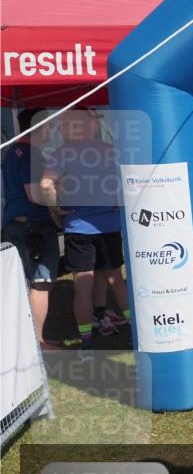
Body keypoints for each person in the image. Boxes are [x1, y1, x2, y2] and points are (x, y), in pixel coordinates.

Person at [39, 110, 130, 358]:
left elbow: (46, 185)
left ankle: (87, 343)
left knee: (83, 286)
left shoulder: (62, 153)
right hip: (109, 226)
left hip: (78, 226)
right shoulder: (110, 150)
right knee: (116, 280)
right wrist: (117, 201)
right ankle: (136, 332)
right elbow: (126, 182)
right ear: (92, 126)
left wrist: (54, 210)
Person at [1, 109, 61, 348]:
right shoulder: (28, 154)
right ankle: (37, 343)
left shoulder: (14, 152)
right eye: (49, 126)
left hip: (18, 224)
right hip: (32, 227)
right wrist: (58, 203)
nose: (52, 131)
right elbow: (35, 194)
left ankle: (24, 343)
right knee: (41, 283)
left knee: (23, 284)